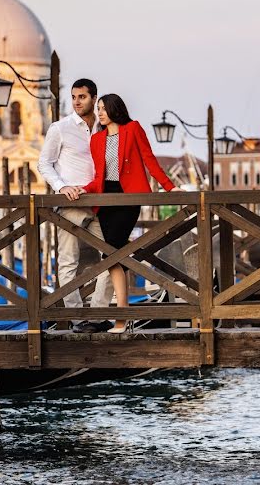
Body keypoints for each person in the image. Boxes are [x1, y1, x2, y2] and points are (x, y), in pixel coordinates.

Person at [79, 94, 181, 333]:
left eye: (104, 108)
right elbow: (98, 178)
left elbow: (149, 160)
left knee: (112, 255)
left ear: (116, 109)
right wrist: (79, 190)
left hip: (129, 198)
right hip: (106, 201)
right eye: (98, 109)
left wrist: (170, 187)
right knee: (115, 256)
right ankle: (123, 317)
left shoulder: (133, 129)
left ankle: (122, 319)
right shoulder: (96, 140)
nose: (100, 113)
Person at [38, 78, 113, 334]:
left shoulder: (105, 129)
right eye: (74, 97)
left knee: (115, 256)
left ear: (94, 98)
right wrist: (61, 187)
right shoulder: (60, 128)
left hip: (100, 204)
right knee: (68, 261)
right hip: (71, 205)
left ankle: (99, 314)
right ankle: (76, 317)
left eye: (82, 97)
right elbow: (44, 164)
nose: (77, 102)